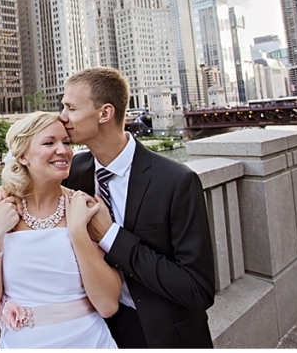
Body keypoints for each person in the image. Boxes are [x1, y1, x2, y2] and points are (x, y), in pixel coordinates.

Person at [60, 67, 215, 348]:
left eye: (71, 108)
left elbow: (198, 289)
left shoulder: (176, 181)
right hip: (98, 332)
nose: (62, 117)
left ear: (105, 113)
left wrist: (110, 236)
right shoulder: (74, 172)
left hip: (164, 335)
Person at [0, 111, 120, 348]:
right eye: (49, 143)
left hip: (88, 342)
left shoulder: (85, 207)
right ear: (23, 157)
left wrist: (78, 233)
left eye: (66, 142)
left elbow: (108, 305)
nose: (63, 150)